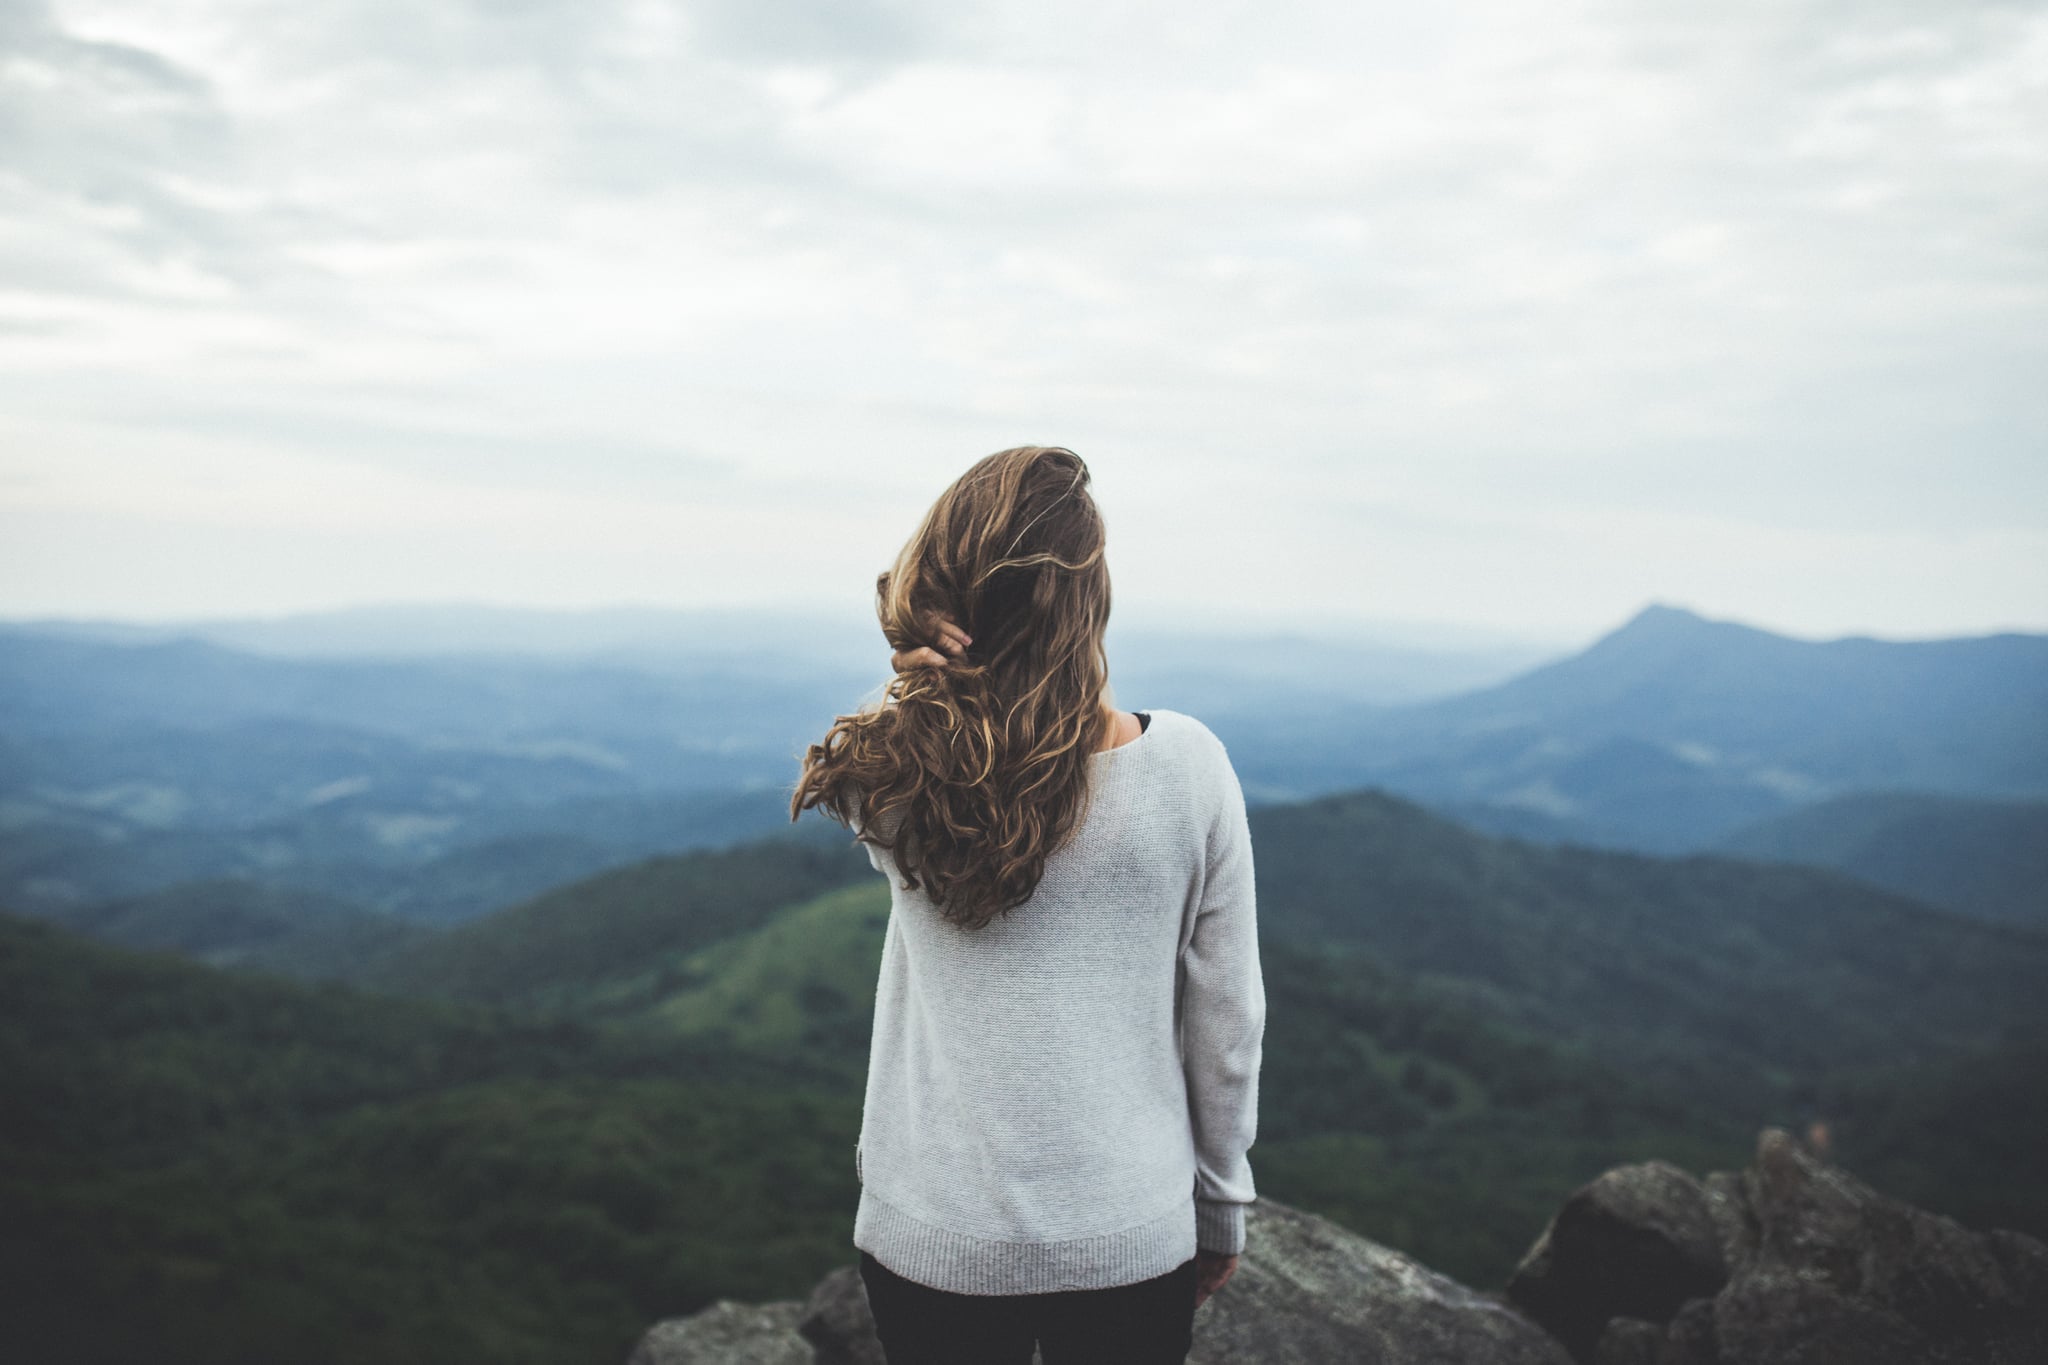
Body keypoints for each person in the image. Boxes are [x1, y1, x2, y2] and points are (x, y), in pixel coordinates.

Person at [789, 445, 1266, 1365]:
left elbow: (895, 730)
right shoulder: (1189, 770)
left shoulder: (895, 779)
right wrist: (1220, 1206)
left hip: (933, 1233)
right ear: (1091, 598)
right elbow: (1229, 1022)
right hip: (1129, 1231)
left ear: (944, 601)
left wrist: (907, 632)